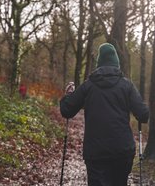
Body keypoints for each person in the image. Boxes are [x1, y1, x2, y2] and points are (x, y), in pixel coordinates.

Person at [60, 43, 149, 186]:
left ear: (99, 64)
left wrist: (68, 95)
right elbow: (144, 115)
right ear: (116, 64)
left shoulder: (88, 86)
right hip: (123, 150)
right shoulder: (127, 86)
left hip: (96, 151)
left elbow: (66, 110)